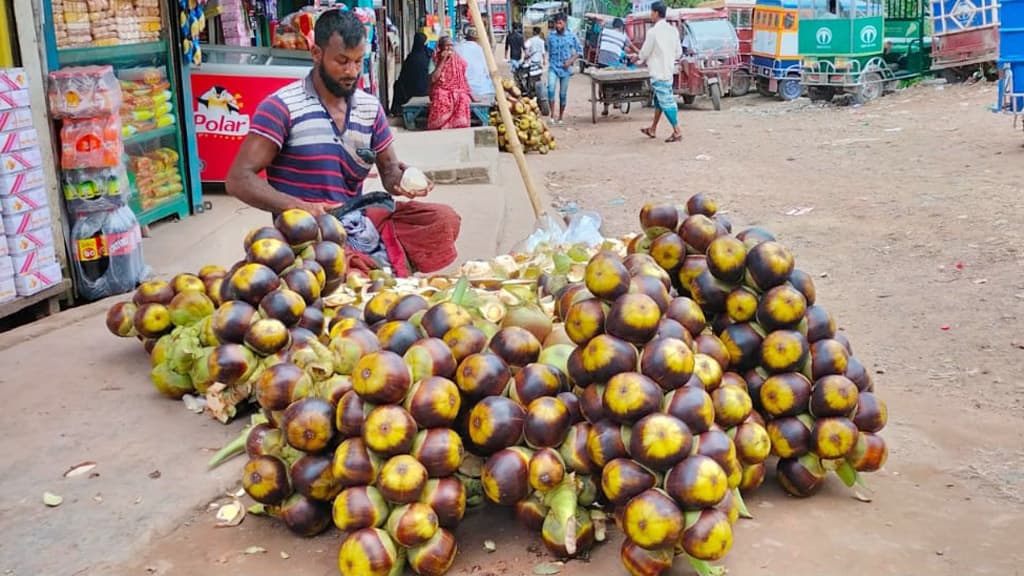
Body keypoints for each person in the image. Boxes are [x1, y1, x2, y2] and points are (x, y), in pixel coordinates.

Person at [225, 9, 461, 277]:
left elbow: (389, 171)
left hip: (358, 222)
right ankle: (371, 266)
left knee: (443, 219)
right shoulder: (281, 107)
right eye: (342, 61)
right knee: (341, 266)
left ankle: (371, 262)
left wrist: (404, 179)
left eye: (358, 62)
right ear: (316, 54)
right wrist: (298, 206)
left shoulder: (370, 108)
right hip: (308, 234)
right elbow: (238, 179)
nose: (352, 71)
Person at [636, 1, 682, 143]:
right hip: (668, 70)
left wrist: (638, 59)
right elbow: (678, 53)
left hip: (657, 72)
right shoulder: (673, 30)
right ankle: (653, 128)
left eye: (651, 12)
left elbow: (644, 52)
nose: (651, 15)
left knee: (666, 102)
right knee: (659, 101)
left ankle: (677, 131)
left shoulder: (653, 32)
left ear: (656, 13)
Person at [428, 36, 473, 130]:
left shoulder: (457, 59)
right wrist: (442, 60)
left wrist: (471, 95)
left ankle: (456, 123)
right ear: (441, 48)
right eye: (447, 46)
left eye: (451, 46)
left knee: (462, 97)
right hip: (440, 88)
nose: (450, 48)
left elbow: (463, 78)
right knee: (440, 96)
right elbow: (433, 79)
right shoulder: (434, 59)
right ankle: (440, 123)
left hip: (457, 88)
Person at [596, 18, 637, 116]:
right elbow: (631, 47)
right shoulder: (623, 36)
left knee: (604, 84)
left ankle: (605, 107)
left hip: (601, 63)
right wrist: (640, 52)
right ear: (621, 27)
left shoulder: (605, 31)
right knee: (620, 77)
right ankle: (617, 99)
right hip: (613, 64)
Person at [545, 14, 582, 125]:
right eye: (556, 23)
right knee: (550, 89)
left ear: (565, 23)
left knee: (562, 94)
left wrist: (570, 61)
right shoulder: (551, 36)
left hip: (565, 70)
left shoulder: (571, 36)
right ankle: (552, 115)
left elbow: (580, 51)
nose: (558, 25)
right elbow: (548, 50)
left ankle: (561, 117)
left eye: (560, 23)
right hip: (553, 67)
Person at [390, 32, 431, 116]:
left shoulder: (410, 58)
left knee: (397, 85)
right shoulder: (429, 55)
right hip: (427, 91)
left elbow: (402, 76)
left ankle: (396, 110)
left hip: (411, 92)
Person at [455, 26, 496, 102]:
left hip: (463, 90)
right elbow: (487, 71)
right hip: (482, 90)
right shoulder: (481, 50)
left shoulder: (457, 48)